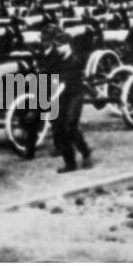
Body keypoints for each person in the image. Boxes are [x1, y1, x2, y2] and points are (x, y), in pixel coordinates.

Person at [40, 23, 94, 174]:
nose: (58, 48)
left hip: (75, 94)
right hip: (62, 95)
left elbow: (64, 83)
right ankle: (70, 163)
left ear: (68, 45)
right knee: (58, 126)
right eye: (56, 45)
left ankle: (86, 152)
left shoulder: (74, 60)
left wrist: (51, 99)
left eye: (61, 45)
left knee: (70, 125)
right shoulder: (57, 58)